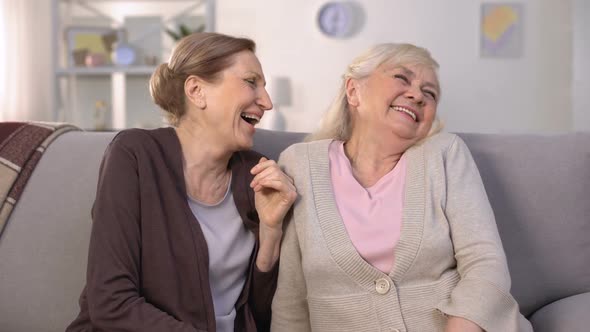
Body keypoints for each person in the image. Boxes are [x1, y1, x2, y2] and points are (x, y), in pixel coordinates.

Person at [271, 43, 532, 332]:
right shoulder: (300, 164)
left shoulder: (445, 153)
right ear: (353, 91)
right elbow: (291, 295)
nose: (417, 95)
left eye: (429, 93)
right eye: (402, 78)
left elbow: (485, 262)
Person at [67, 32, 297, 332]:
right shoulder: (136, 156)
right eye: (251, 82)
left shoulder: (257, 174)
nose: (266, 102)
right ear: (197, 90)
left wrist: (270, 234)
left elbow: (261, 317)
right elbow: (110, 302)